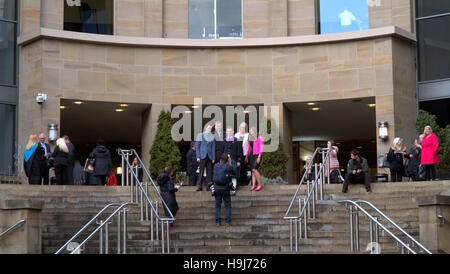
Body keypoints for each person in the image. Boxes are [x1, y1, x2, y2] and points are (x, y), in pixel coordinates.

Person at [212, 153, 233, 226]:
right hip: (225, 187)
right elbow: (232, 171)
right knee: (227, 205)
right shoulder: (227, 166)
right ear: (227, 159)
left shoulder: (216, 166)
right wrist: (230, 162)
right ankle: (228, 221)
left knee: (218, 205)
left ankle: (218, 221)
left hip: (217, 187)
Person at [195, 124, 215, 191]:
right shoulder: (200, 135)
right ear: (205, 128)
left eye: (211, 128)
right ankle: (199, 186)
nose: (210, 129)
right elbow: (197, 147)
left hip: (209, 156)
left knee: (209, 172)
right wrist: (198, 156)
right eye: (209, 128)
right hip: (202, 156)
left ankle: (208, 186)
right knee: (201, 171)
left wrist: (213, 158)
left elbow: (213, 148)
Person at [223, 127, 243, 195]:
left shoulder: (237, 140)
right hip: (225, 160)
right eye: (228, 131)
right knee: (226, 174)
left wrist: (239, 160)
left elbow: (240, 151)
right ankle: (226, 189)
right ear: (226, 132)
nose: (229, 132)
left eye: (230, 131)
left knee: (233, 174)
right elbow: (223, 151)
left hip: (234, 160)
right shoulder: (224, 141)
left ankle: (233, 189)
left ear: (233, 132)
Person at [246, 127, 264, 191]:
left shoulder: (259, 138)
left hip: (257, 155)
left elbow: (261, 147)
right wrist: (246, 156)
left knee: (255, 169)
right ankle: (253, 185)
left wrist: (259, 156)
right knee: (252, 171)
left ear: (255, 131)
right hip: (251, 155)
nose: (251, 132)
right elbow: (249, 148)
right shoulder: (250, 139)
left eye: (252, 131)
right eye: (250, 131)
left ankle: (260, 184)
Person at [235, 122, 249, 186]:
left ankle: (244, 182)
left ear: (246, 128)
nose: (242, 128)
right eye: (241, 127)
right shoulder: (236, 135)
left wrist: (247, 155)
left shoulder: (248, 135)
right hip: (238, 154)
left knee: (244, 168)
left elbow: (249, 146)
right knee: (238, 168)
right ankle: (238, 182)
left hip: (245, 154)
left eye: (243, 127)